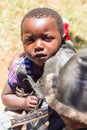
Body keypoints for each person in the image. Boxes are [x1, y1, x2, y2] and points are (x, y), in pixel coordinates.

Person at [1, 7, 75, 130]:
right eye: (30, 40)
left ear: (63, 39)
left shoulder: (66, 60)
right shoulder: (20, 67)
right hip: (29, 115)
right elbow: (6, 97)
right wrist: (23, 102)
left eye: (47, 38)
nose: (38, 46)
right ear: (22, 42)